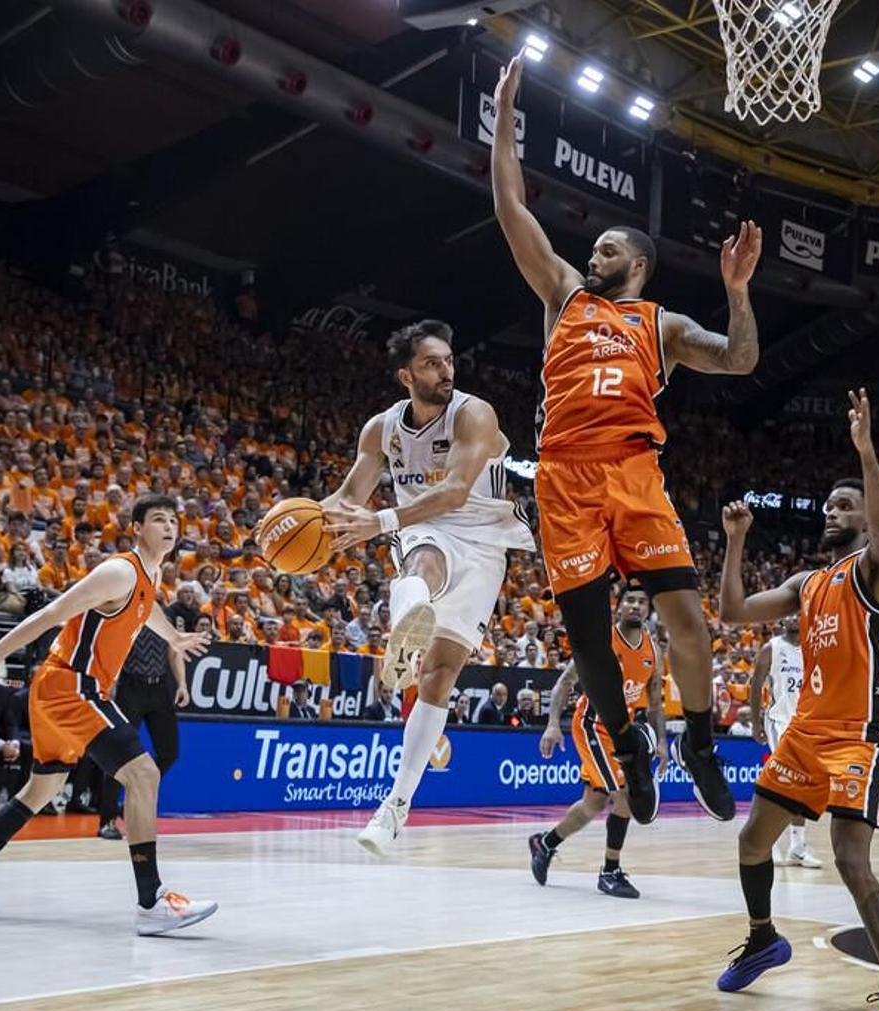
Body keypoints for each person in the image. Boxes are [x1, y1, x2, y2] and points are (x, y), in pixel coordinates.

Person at [490, 53, 760, 825]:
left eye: (608, 249)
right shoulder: (564, 295)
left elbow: (740, 359)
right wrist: (506, 122)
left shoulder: (661, 323)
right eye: (594, 250)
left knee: (687, 620)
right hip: (564, 476)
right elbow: (512, 208)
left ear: (636, 264)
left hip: (635, 473)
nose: (594, 255)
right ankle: (629, 747)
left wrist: (738, 292)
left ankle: (700, 743)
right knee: (589, 643)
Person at [714, 390, 879, 1011]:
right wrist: (736, 542)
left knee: (850, 860)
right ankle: (763, 938)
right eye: (830, 505)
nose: (834, 511)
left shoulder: (873, 571)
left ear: (863, 518)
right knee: (753, 840)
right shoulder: (809, 583)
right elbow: (734, 611)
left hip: (858, 735)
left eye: (845, 505)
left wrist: (865, 452)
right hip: (805, 732)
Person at [0, 495, 217, 936]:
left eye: (174, 520)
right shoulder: (119, 571)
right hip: (71, 684)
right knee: (144, 775)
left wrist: (174, 639)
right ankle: (152, 901)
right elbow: (51, 613)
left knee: (40, 790)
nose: (169, 526)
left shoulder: (149, 573)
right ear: (136, 528)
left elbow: (146, 612)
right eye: (158, 519)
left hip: (58, 689)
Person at [322, 320, 535, 857]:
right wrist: (291, 521)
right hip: (424, 527)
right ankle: (407, 624)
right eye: (431, 363)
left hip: (486, 539)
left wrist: (382, 520)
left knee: (440, 677)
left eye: (448, 361)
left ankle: (396, 806)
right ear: (405, 375)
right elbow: (350, 498)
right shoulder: (381, 430)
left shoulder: (473, 412)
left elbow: (457, 490)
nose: (446, 370)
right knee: (421, 560)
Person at [531, 587, 669, 898]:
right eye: (629, 601)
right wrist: (553, 724)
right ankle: (610, 872)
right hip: (592, 725)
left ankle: (545, 843)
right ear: (618, 608)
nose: (635, 605)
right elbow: (565, 682)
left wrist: (661, 742)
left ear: (648, 610)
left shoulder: (653, 650)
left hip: (622, 729)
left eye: (641, 601)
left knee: (593, 803)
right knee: (625, 794)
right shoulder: (600, 641)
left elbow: (656, 703)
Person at [91, 629, 185, 840]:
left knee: (170, 752)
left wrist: (183, 684)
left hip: (160, 687)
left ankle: (129, 802)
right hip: (130, 686)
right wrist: (111, 683)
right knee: (119, 755)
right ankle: (108, 819)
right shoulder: (130, 613)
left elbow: (174, 650)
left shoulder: (164, 617)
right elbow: (114, 650)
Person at [746, 616, 822, 867]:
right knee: (785, 784)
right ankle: (769, 843)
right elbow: (755, 686)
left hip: (806, 726)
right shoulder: (772, 648)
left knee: (800, 786)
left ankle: (797, 848)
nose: (793, 618)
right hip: (780, 722)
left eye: (798, 614)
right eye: (788, 614)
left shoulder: (814, 648)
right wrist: (756, 724)